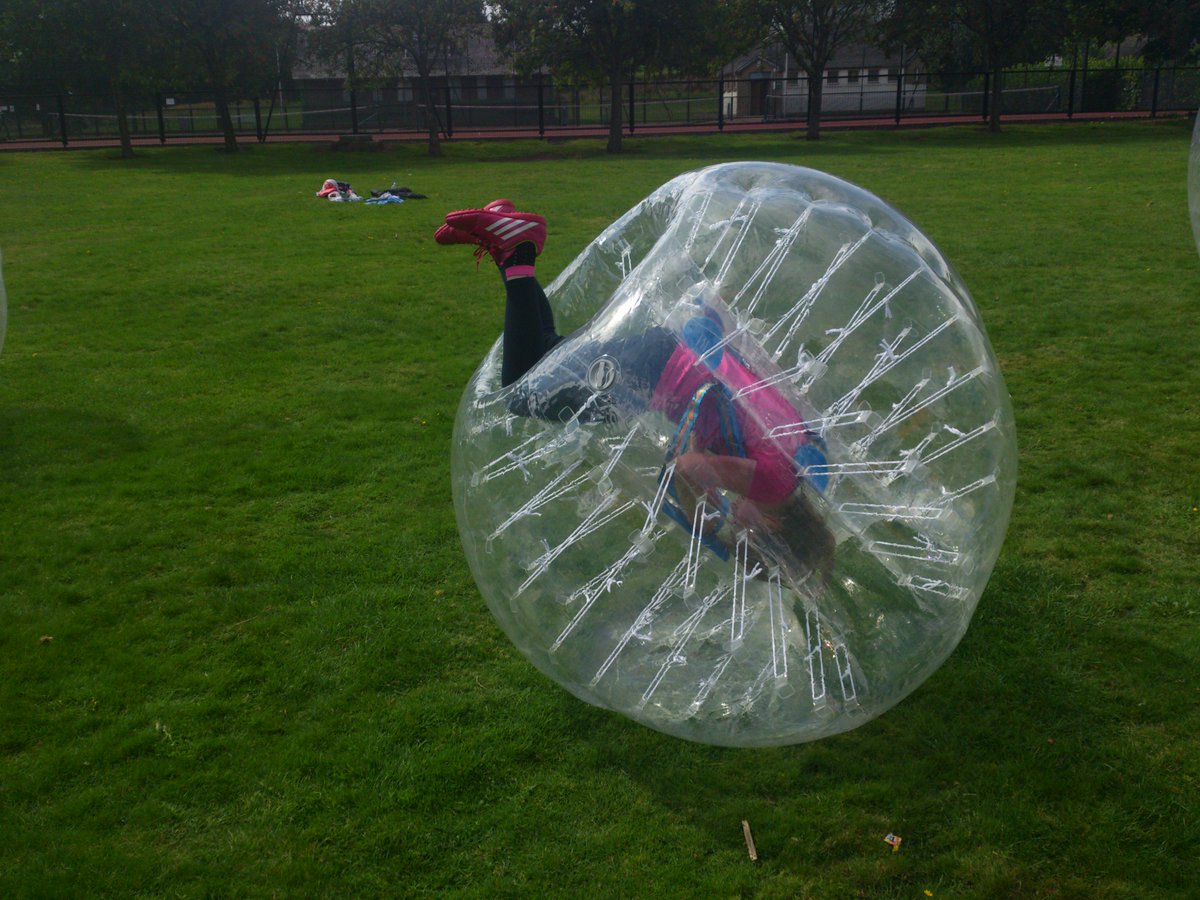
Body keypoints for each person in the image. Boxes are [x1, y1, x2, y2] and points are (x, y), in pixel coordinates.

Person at [437, 200, 835, 587]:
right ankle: (517, 248)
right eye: (743, 532)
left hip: (670, 359)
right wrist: (698, 516)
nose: (735, 523)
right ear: (774, 526)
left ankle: (508, 239)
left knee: (549, 357)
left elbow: (729, 415)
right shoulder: (772, 487)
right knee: (522, 391)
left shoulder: (795, 466)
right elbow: (688, 467)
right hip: (653, 375)